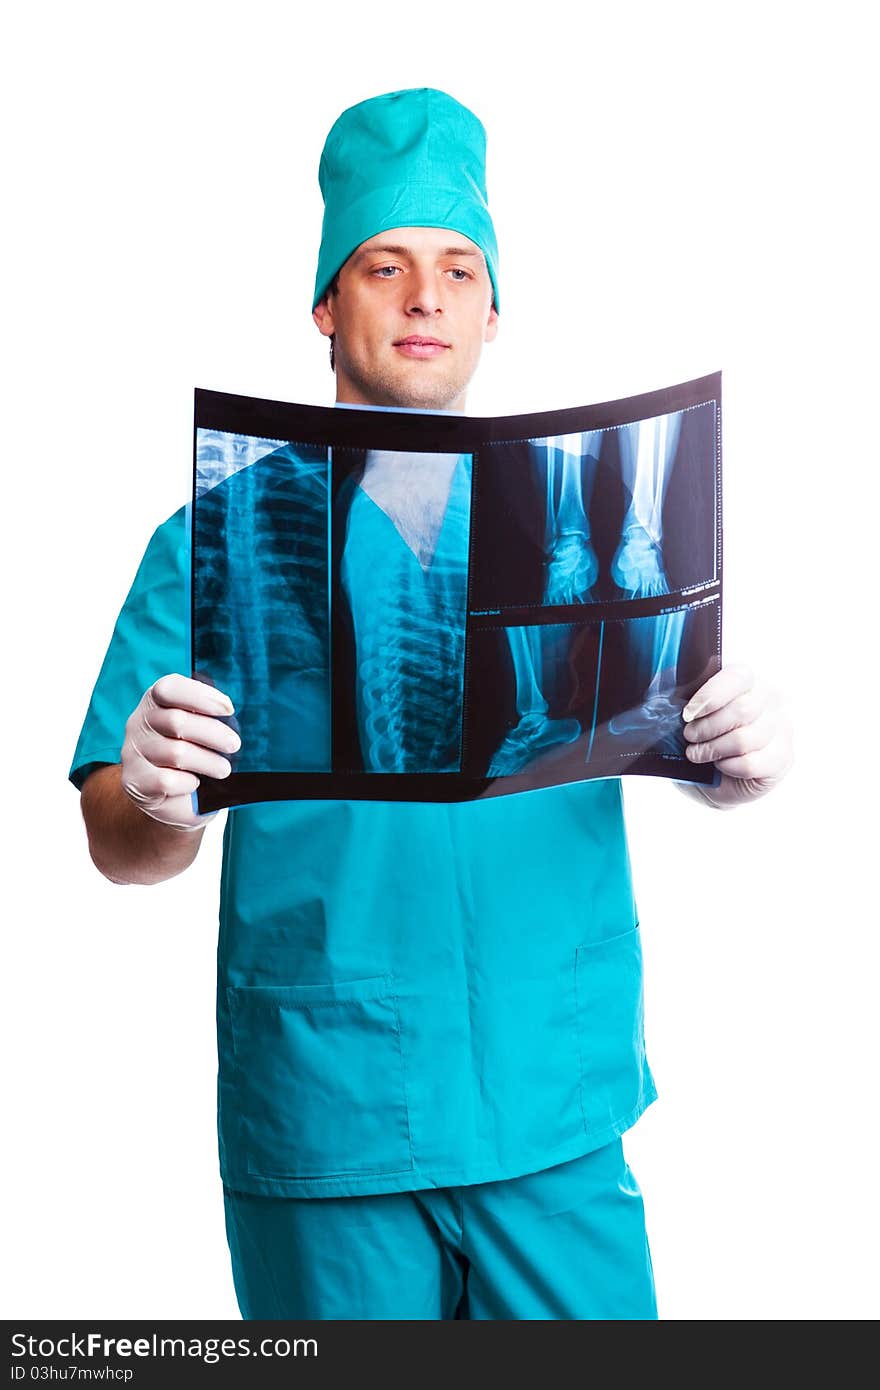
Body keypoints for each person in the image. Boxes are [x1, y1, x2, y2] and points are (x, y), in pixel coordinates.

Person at [69, 87, 794, 1320]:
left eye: (461, 271)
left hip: (553, 1103)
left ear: (493, 313)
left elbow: (670, 732)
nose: (425, 298)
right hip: (329, 1119)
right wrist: (147, 791)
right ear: (323, 304)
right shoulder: (216, 538)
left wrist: (734, 760)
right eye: (385, 265)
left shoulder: (598, 516)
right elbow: (120, 847)